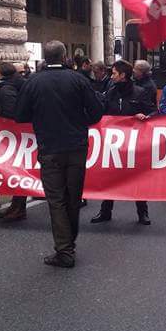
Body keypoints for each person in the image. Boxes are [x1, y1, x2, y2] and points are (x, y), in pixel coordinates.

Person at [15, 40, 104, 268]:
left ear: (46, 57)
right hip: (76, 146)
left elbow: (21, 115)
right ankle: (68, 244)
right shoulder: (78, 80)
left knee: (56, 200)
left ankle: (65, 250)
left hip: (50, 147)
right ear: (65, 56)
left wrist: (42, 116)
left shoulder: (34, 81)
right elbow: (96, 113)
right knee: (73, 197)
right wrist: (77, 122)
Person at [91, 60, 156, 225]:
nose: (111, 76)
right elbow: (102, 112)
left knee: (137, 177)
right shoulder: (111, 92)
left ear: (123, 75)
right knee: (109, 176)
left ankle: (142, 213)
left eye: (114, 73)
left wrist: (145, 116)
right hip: (112, 143)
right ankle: (105, 211)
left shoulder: (140, 92)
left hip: (134, 144)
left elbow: (154, 111)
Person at [0, 62, 29, 221]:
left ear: (1, 73)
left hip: (13, 133)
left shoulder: (7, 88)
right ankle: (16, 205)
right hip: (20, 133)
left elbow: (10, 112)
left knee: (17, 169)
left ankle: (19, 207)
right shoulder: (14, 84)